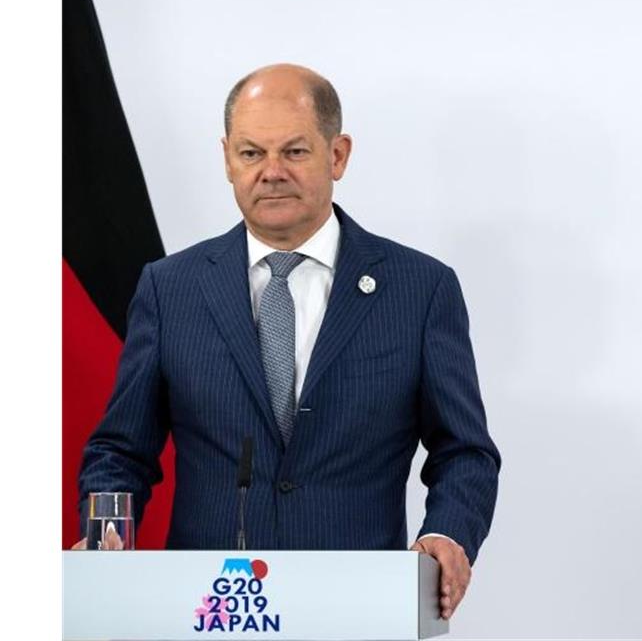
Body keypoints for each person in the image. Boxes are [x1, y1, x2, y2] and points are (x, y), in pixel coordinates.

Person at [76, 64, 500, 619]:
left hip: (358, 609)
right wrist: (109, 531)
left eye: (294, 152)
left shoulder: (419, 289)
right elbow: (121, 450)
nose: (271, 172)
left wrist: (447, 533)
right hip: (209, 612)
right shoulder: (169, 288)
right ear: (228, 158)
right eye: (252, 153)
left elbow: (464, 452)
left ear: (338, 155)